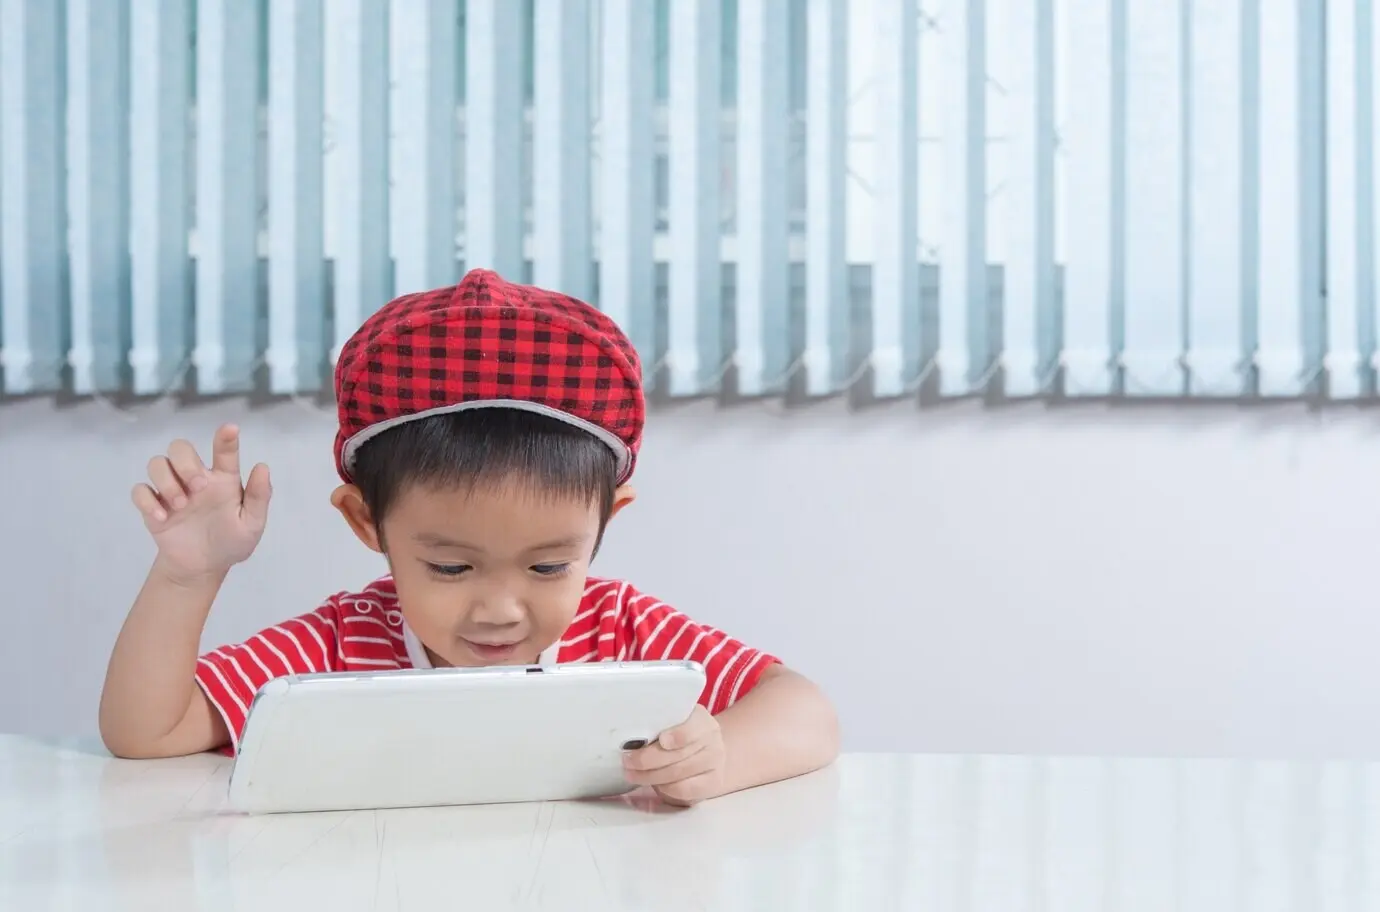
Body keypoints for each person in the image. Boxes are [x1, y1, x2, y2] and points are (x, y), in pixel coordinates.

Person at [98, 269, 839, 806]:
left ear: (607, 521)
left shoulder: (616, 629)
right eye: (451, 567)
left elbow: (805, 709)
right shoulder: (343, 645)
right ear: (366, 523)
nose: (501, 609)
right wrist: (188, 577)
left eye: (549, 565)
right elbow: (148, 731)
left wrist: (719, 758)